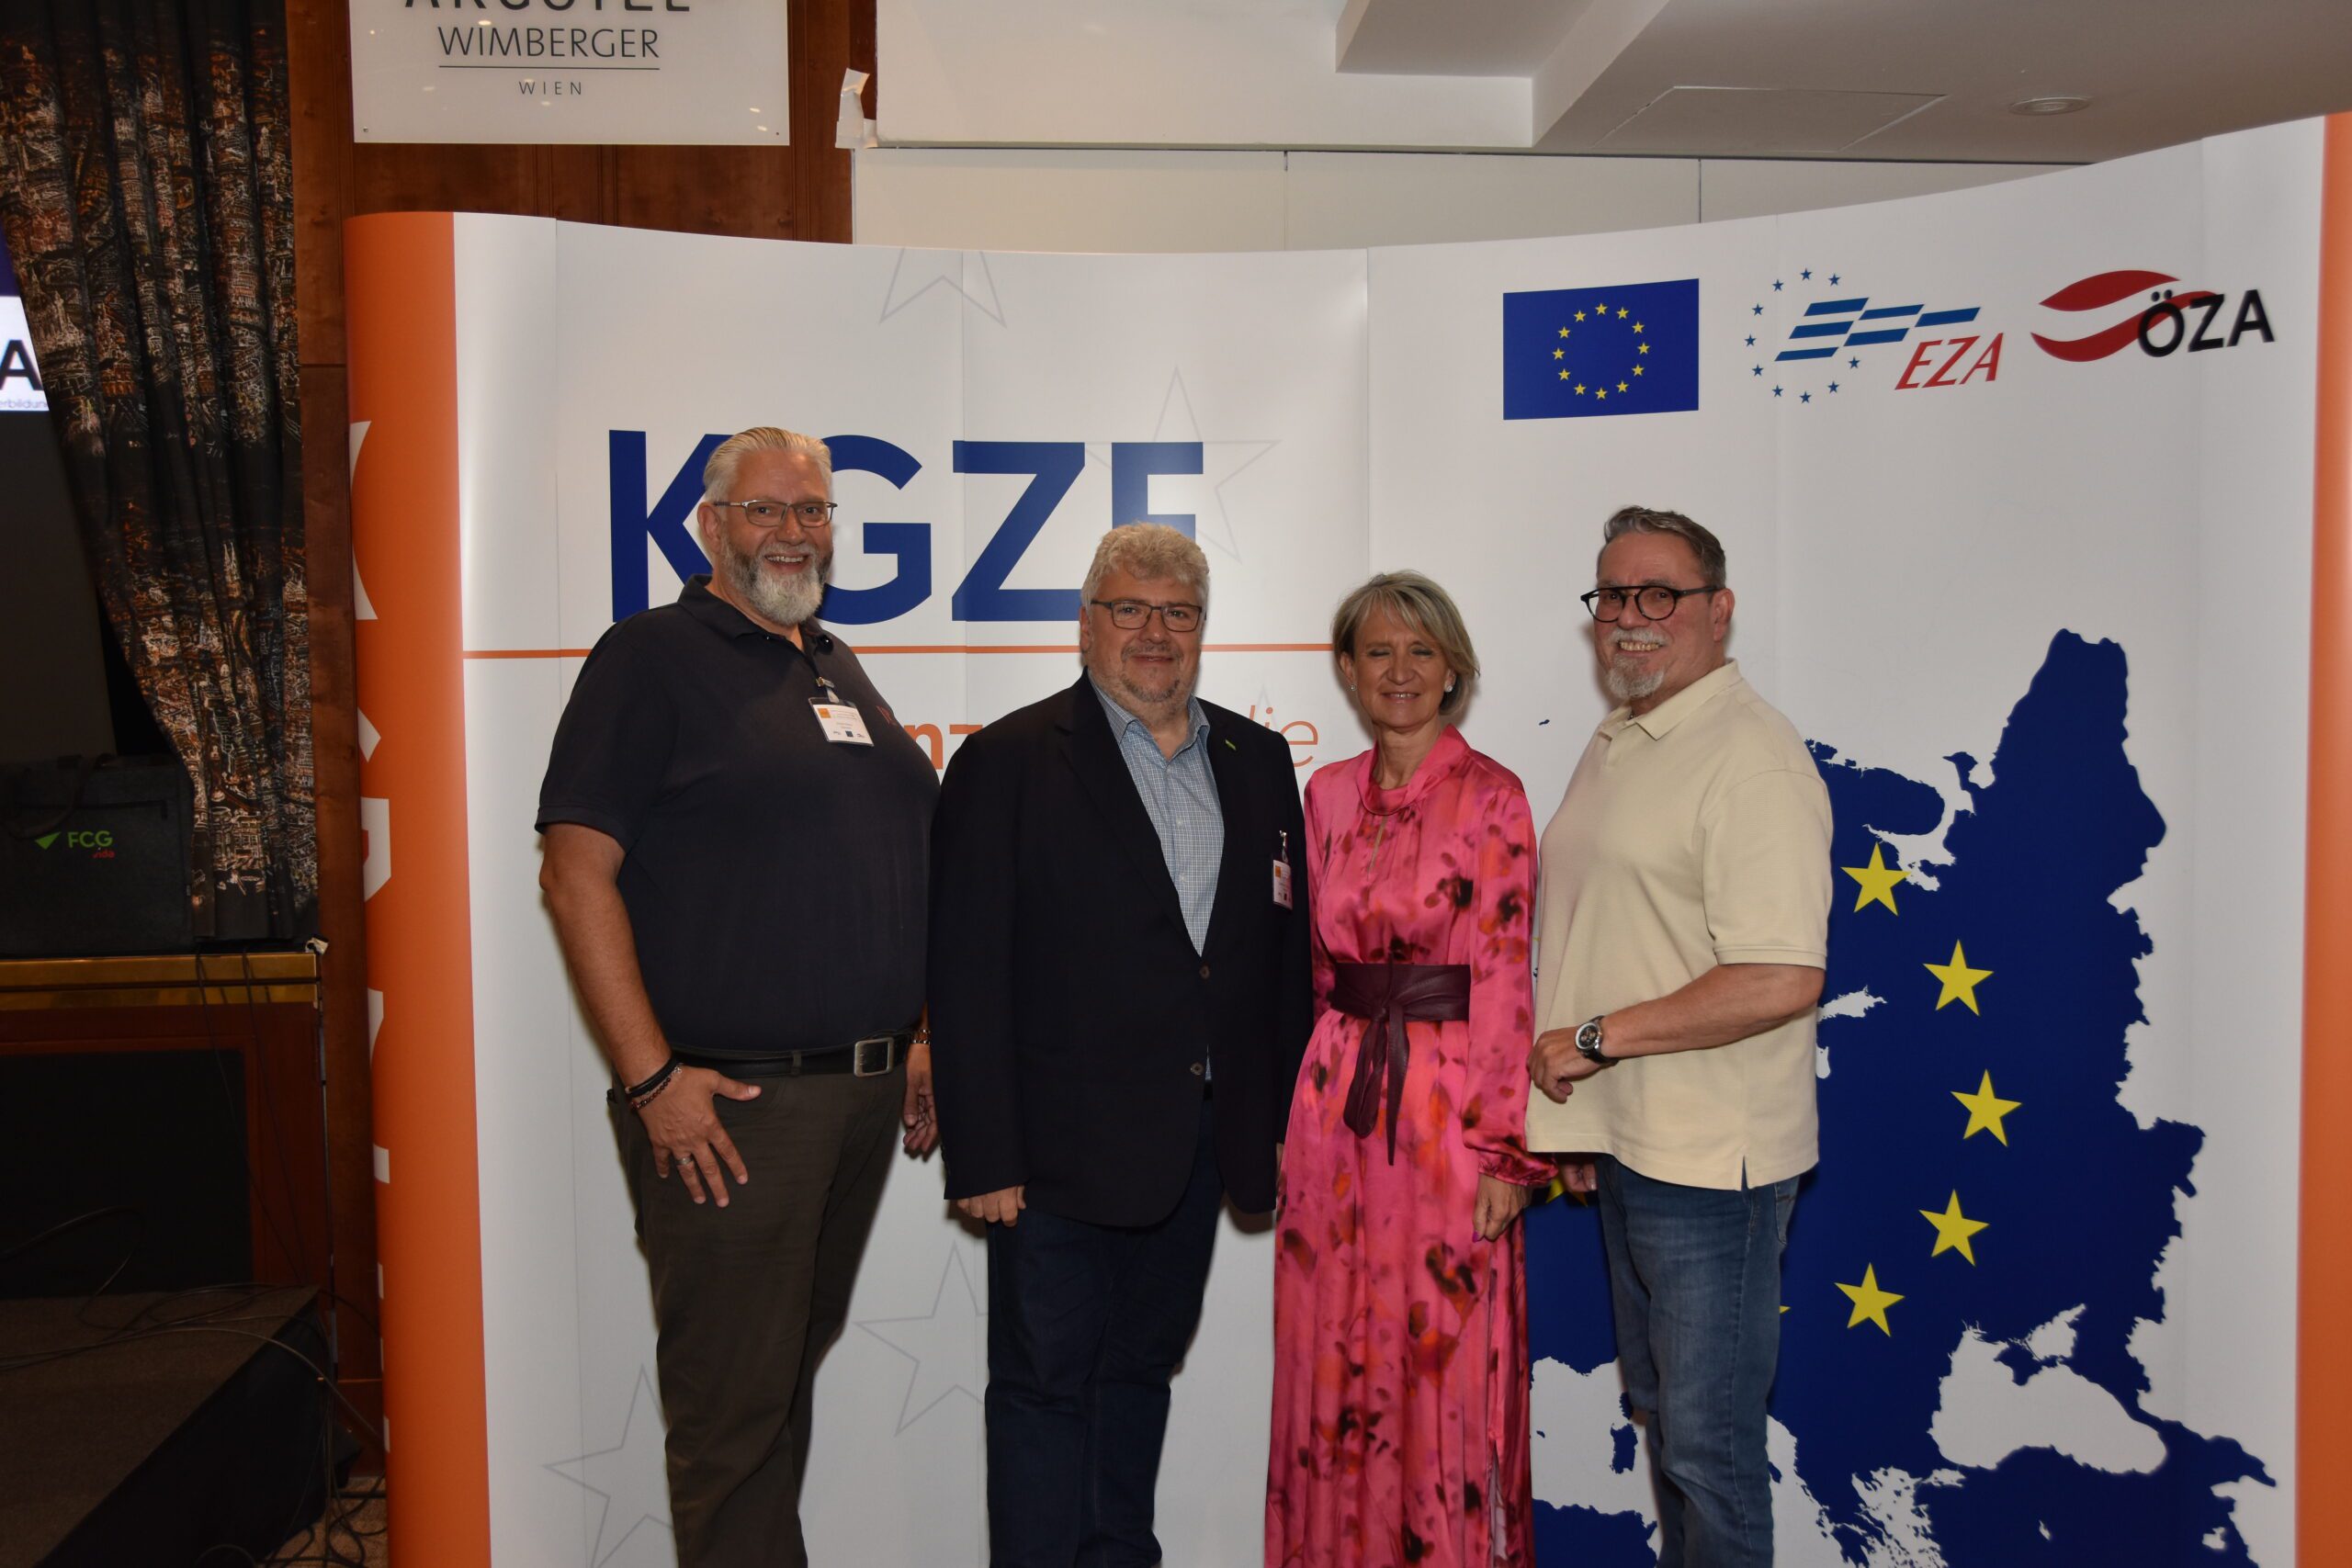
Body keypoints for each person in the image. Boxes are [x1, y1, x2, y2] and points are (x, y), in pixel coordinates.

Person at [536, 426, 941, 1568]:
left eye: (811, 511)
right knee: (732, 1418)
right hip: (735, 1111)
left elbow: (889, 861)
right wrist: (652, 1080)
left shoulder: (833, 662)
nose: (791, 532)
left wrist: (918, 1032)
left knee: (772, 1393)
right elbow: (573, 875)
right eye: (764, 509)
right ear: (712, 525)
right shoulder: (650, 657)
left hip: (859, 1100)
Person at [927, 523, 1314, 1568]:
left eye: (1177, 613)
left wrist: (1277, 1125)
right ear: (1086, 623)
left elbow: (1281, 962)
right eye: (1129, 609)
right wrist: (986, 1151)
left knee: (1139, 1375)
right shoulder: (1008, 760)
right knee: (1042, 1389)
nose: (1154, 632)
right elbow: (965, 969)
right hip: (1053, 1156)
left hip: (1199, 1145)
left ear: (1203, 628)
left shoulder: (1257, 759)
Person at [1526, 506, 1833, 1568]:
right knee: (1667, 1423)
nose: (1630, 616)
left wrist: (1597, 1039)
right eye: (1612, 595)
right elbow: (1614, 928)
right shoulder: (1624, 735)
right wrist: (1588, 1119)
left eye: (1658, 593)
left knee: (1708, 1450)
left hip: (1710, 1165)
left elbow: (1781, 974)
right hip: (1633, 1143)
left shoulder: (1750, 757)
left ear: (1718, 609)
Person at [1264, 570, 1555, 1568]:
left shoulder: (1493, 796)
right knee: (1330, 1348)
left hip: (1448, 1110)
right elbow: (1311, 970)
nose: (1399, 670)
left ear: (1452, 670)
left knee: (1441, 1354)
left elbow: (1506, 977)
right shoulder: (1324, 793)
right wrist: (1292, 1110)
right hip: (1332, 1103)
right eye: (1378, 651)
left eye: (1420, 651)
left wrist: (1504, 1149)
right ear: (1347, 670)